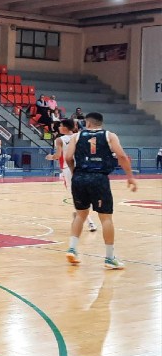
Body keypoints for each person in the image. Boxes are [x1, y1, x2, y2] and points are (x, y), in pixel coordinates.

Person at [64, 112, 137, 269]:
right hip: (98, 178)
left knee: (80, 214)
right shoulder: (109, 136)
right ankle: (109, 258)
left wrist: (75, 172)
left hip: (79, 178)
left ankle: (72, 249)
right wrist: (130, 176)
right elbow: (122, 156)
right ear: (100, 123)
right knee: (106, 218)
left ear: (88, 123)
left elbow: (68, 157)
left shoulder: (76, 136)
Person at [45, 119, 97, 232]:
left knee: (76, 196)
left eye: (60, 125)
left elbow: (58, 155)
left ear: (65, 127)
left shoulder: (59, 140)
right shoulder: (79, 136)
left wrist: (50, 157)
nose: (59, 127)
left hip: (68, 168)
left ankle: (89, 221)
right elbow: (93, 143)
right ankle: (84, 215)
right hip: (82, 166)